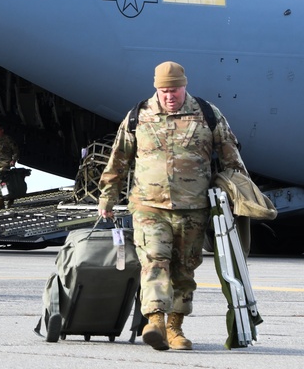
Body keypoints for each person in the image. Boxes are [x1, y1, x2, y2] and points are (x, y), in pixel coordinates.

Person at [99, 61, 248, 351]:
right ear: (156, 88)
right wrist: (107, 196)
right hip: (148, 206)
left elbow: (232, 159)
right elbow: (118, 159)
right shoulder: (138, 116)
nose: (170, 96)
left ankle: (175, 328)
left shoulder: (207, 115)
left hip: (193, 208)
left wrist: (239, 194)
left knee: (184, 269)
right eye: (164, 90)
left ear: (185, 87)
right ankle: (154, 321)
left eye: (175, 90)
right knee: (155, 259)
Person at [0, 122, 20, 209]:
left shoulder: (8, 139)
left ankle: (1, 201)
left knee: (1, 182)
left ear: (2, 130)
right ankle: (9, 197)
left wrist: (13, 160)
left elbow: (16, 150)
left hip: (4, 164)